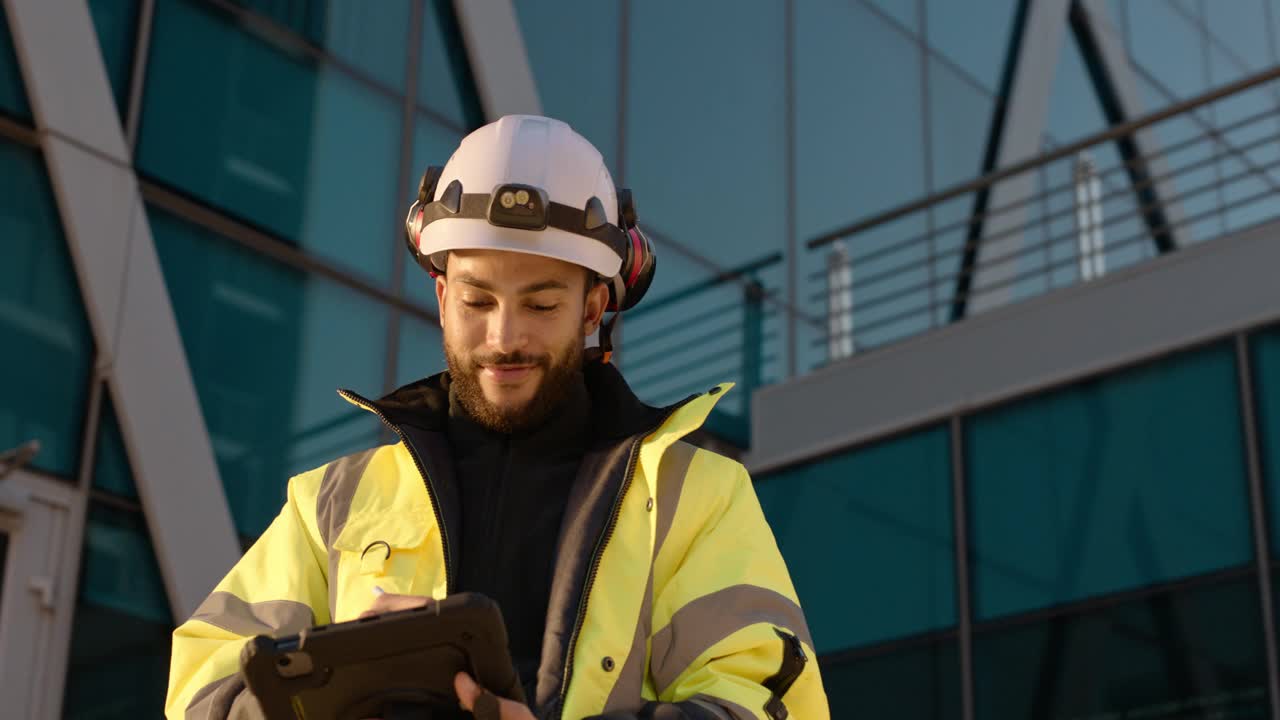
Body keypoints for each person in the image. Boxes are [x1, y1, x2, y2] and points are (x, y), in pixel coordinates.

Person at [165, 115, 829, 720]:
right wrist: (341, 693)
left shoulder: (698, 497)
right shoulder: (333, 504)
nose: (504, 337)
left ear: (594, 309)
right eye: (477, 301)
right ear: (441, 295)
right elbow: (201, 682)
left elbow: (771, 707)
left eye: (540, 305)